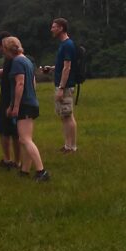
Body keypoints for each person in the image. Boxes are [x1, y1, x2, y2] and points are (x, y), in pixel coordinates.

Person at [3, 36, 49, 182]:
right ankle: (25, 170)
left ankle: (41, 171)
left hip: (24, 105)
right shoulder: (26, 60)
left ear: (8, 49)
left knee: (25, 139)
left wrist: (15, 106)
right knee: (26, 139)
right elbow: (33, 82)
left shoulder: (16, 62)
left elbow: (20, 84)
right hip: (32, 102)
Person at [49, 17, 78, 153]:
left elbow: (67, 67)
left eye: (54, 27)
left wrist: (61, 88)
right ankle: (67, 145)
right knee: (64, 116)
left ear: (61, 28)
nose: (52, 29)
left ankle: (72, 147)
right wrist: (52, 68)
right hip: (62, 85)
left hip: (65, 86)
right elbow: (62, 66)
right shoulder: (64, 44)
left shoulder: (67, 45)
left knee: (68, 115)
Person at [0, 31, 21, 169]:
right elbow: (6, 71)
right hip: (14, 99)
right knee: (15, 132)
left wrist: (12, 104)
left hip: (8, 99)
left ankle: (7, 160)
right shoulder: (16, 58)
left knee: (4, 130)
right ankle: (17, 161)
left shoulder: (11, 59)